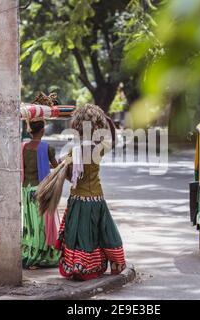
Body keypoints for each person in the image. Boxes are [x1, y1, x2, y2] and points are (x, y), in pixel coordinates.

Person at [54, 104, 126, 280]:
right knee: (100, 232)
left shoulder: (74, 151)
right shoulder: (98, 148)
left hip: (78, 198)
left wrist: (61, 166)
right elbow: (114, 140)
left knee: (77, 235)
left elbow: (71, 177)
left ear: (77, 127)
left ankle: (78, 266)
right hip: (96, 198)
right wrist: (106, 119)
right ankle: (100, 265)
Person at [21, 119, 61, 268]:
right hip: (42, 190)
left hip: (26, 190)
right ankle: (43, 253)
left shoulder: (23, 147)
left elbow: (23, 167)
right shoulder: (47, 148)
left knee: (31, 223)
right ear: (43, 130)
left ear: (30, 131)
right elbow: (57, 169)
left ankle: (30, 251)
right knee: (43, 223)